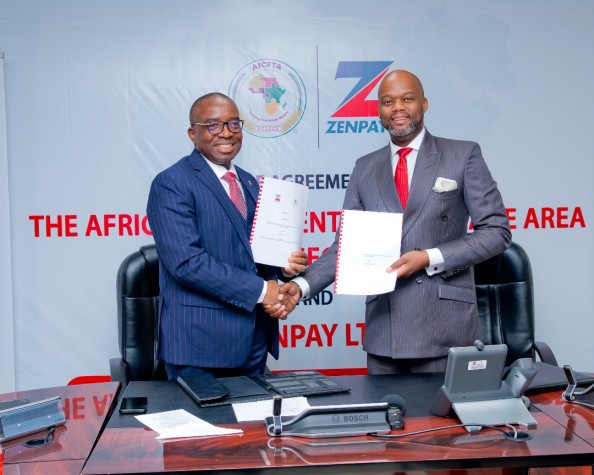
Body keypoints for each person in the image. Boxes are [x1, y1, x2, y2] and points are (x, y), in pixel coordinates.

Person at [274, 70, 512, 374]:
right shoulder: (365, 167)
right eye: (388, 101)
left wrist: (429, 257)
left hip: (444, 324)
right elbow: (345, 247)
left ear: (424, 104)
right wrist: (302, 286)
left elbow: (496, 232)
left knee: (441, 421)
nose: (397, 107)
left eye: (407, 99)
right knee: (388, 420)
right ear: (378, 111)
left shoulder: (462, 155)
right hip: (385, 329)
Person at [147, 92, 306, 380]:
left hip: (253, 341)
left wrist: (282, 266)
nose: (226, 133)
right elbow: (187, 263)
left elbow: (252, 257)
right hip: (199, 346)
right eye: (212, 125)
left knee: (256, 425)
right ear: (192, 134)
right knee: (207, 426)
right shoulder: (172, 183)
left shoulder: (249, 183)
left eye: (234, 124)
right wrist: (262, 291)